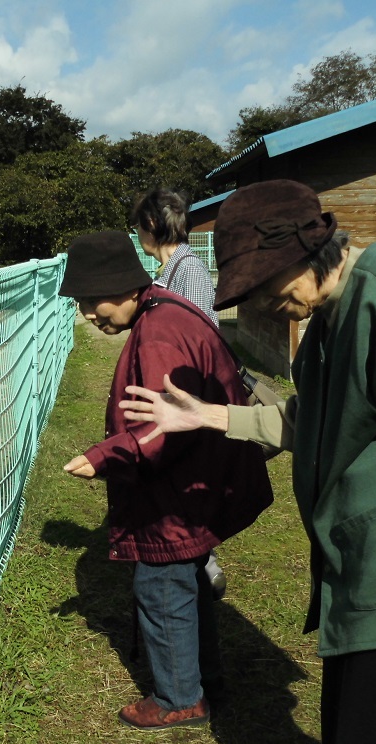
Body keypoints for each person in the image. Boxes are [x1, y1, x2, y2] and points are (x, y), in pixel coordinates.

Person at [117, 180, 376, 744]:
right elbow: (313, 419)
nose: (258, 301)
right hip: (358, 569)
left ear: (305, 249)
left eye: (261, 283)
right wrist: (209, 417)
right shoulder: (329, 311)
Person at [59, 230, 273, 731]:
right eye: (81, 302)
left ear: (124, 287)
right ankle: (204, 681)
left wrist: (104, 457)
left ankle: (179, 698)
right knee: (189, 583)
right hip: (201, 479)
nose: (88, 313)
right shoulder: (166, 309)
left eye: (93, 300)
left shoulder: (156, 333)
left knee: (160, 586)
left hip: (177, 494)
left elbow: (159, 426)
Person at [131, 187, 226, 597]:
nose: (138, 235)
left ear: (151, 225)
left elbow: (197, 338)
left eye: (139, 227)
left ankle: (202, 563)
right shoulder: (172, 270)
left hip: (189, 398)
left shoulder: (189, 271)